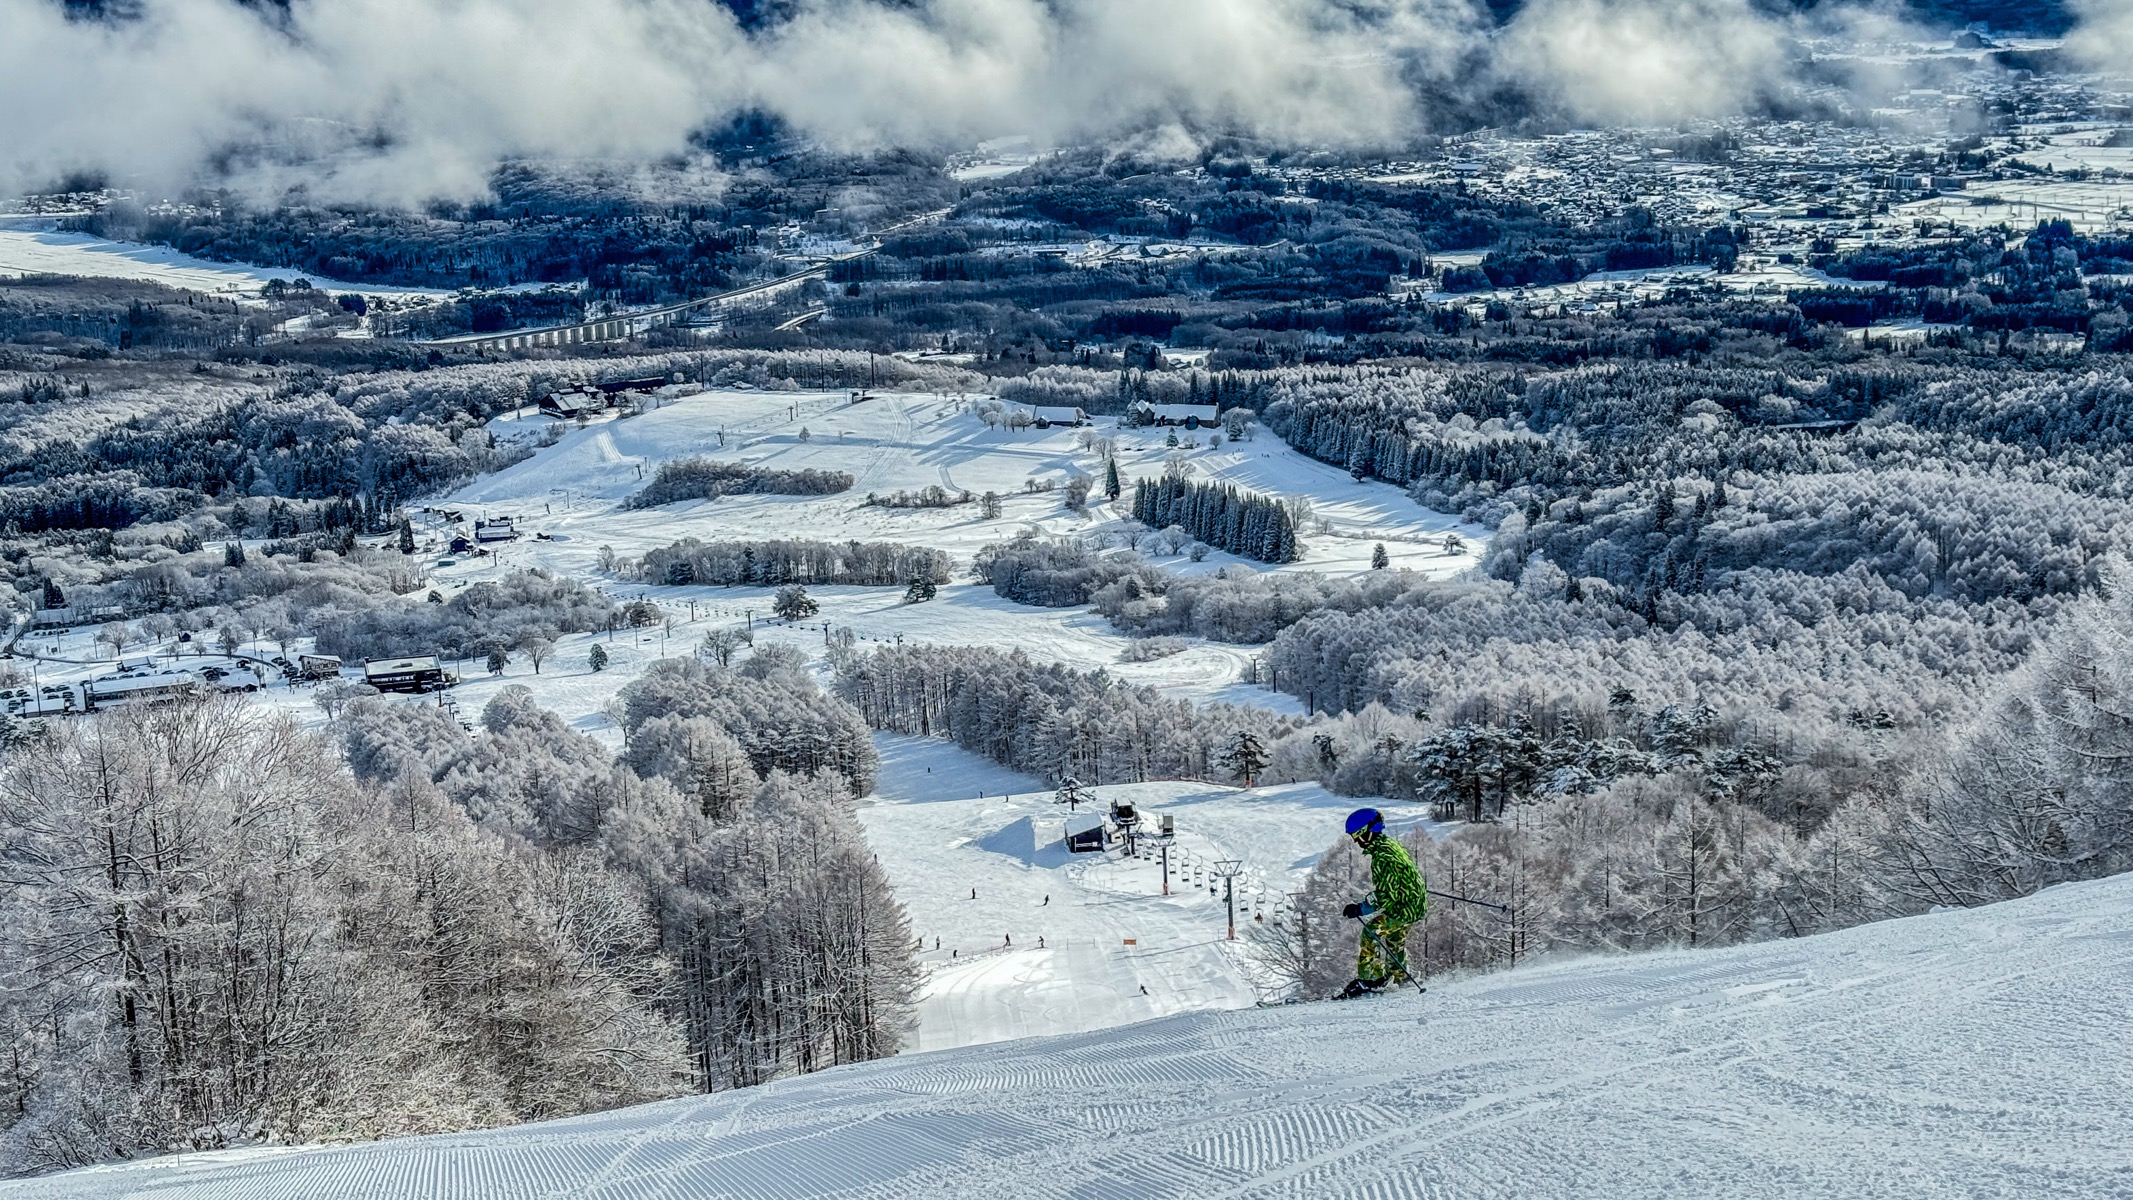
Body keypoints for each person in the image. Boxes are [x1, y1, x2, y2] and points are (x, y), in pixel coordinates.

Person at [1337, 807, 1426, 999]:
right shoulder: (1388, 845)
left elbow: (1386, 896)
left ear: (1369, 831)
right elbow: (1402, 873)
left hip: (1404, 906)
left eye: (1358, 836)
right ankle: (1400, 976)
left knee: (1371, 932)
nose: (1356, 842)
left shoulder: (1383, 857)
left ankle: (1371, 980)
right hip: (1413, 901)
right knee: (1395, 937)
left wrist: (1360, 908)